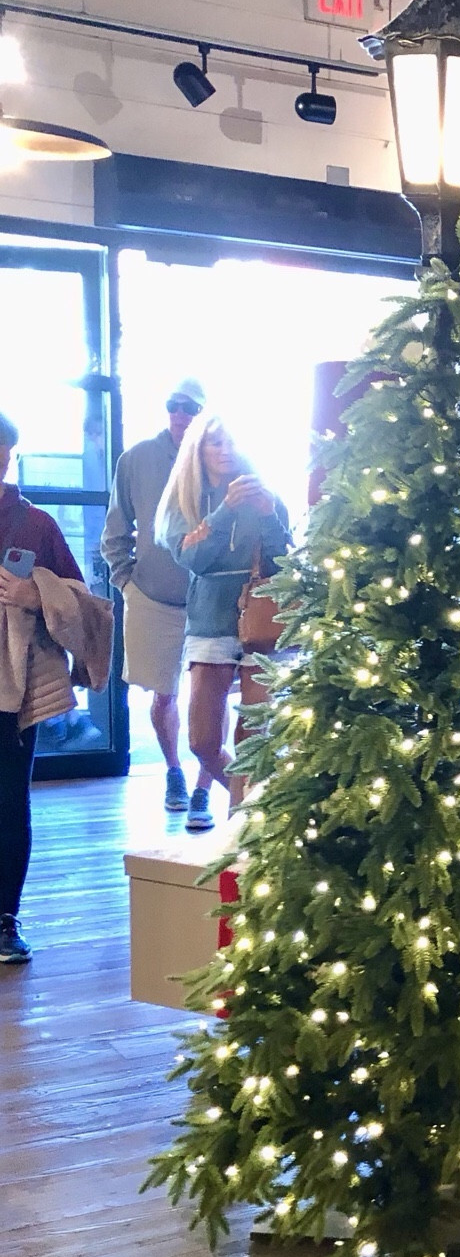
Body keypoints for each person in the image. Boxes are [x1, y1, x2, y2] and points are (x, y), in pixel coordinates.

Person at [0, 411, 114, 964]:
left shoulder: (34, 525)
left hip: (12, 688)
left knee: (7, 801)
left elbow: (85, 603)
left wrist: (35, 596)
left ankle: (4, 919)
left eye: (2, 450)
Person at [155, 413, 290, 834]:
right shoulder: (185, 499)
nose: (225, 450)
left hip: (263, 618)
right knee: (202, 742)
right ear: (199, 449)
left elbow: (284, 557)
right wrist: (224, 513)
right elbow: (192, 558)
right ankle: (254, 810)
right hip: (210, 621)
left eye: (232, 441)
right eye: (215, 442)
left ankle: (244, 831)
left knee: (254, 738)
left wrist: (267, 514)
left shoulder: (264, 493)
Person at [101, 378, 205, 813]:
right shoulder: (137, 459)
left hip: (210, 602)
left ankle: (204, 787)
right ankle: (174, 772)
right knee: (164, 694)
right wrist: (126, 582)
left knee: (209, 697)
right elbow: (115, 530)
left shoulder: (220, 461)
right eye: (173, 406)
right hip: (152, 598)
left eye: (191, 408)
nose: (180, 414)